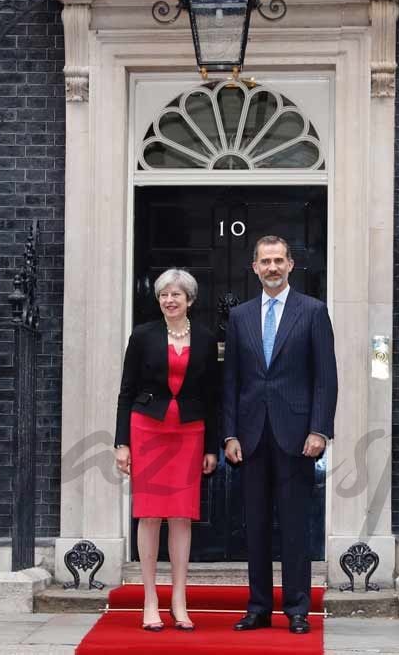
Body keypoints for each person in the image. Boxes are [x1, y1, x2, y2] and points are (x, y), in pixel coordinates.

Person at [222, 236, 338, 635]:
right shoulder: (240, 317)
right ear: (254, 267)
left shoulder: (313, 312)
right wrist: (229, 434)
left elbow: (326, 379)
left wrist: (320, 429)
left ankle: (297, 608)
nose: (272, 268)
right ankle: (258, 607)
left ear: (291, 265)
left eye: (278, 261)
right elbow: (232, 381)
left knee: (294, 526)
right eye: (264, 261)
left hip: (297, 436)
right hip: (251, 437)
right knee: (254, 527)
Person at [114, 268, 220, 632]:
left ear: (189, 299)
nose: (169, 300)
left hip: (190, 431)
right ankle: (149, 598)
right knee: (150, 515)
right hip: (147, 429)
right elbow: (126, 391)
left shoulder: (206, 340)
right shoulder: (143, 336)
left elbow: (212, 398)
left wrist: (211, 447)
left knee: (180, 516)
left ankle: (179, 598)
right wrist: (121, 443)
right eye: (164, 295)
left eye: (176, 294)